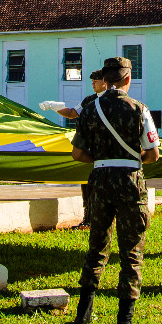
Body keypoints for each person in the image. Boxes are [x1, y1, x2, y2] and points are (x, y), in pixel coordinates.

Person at [68, 57, 160, 324]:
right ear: (128, 79)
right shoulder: (139, 109)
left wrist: (103, 159)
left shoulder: (89, 109)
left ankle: (82, 316)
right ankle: (125, 323)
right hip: (130, 180)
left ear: (105, 80)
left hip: (100, 180)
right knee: (131, 251)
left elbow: (77, 153)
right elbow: (153, 154)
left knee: (97, 246)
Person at [41, 69, 108, 228]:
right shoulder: (89, 100)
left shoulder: (113, 100)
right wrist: (54, 107)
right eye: (91, 81)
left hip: (108, 150)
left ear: (105, 81)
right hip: (93, 151)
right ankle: (89, 220)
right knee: (87, 185)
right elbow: (72, 113)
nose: (92, 83)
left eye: (96, 81)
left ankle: (104, 220)